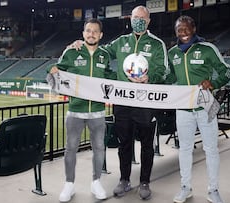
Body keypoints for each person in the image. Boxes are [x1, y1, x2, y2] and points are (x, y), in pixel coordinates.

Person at [69, 5, 168, 200]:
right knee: (125, 143)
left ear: (148, 21)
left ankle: (145, 182)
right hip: (122, 101)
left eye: (142, 18)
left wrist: (150, 78)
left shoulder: (157, 44)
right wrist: (81, 45)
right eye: (135, 17)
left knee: (147, 144)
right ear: (130, 19)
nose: (138, 20)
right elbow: (99, 53)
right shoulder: (121, 41)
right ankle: (124, 179)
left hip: (146, 102)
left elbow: (164, 71)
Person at [166, 15, 230, 203]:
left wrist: (213, 83)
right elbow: (170, 78)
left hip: (205, 107)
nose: (183, 33)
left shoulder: (207, 49)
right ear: (176, 32)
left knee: (210, 149)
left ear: (194, 29)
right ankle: (185, 187)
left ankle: (213, 190)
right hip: (183, 109)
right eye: (179, 30)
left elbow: (227, 71)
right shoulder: (173, 53)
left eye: (186, 28)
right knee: (184, 149)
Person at [48, 18, 115, 202]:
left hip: (98, 112)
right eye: (88, 30)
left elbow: (110, 77)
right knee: (70, 149)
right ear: (83, 33)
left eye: (95, 31)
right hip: (75, 111)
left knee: (99, 148)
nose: (91, 33)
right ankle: (69, 184)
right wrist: (51, 69)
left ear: (100, 35)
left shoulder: (104, 55)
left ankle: (96, 182)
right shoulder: (71, 52)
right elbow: (55, 69)